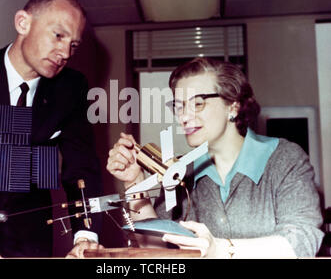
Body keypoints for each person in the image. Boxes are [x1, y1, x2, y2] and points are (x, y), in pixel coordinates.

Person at [107, 57, 324, 258]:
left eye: (198, 103)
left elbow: (302, 240)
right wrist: (135, 183)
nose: (183, 116)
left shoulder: (284, 159)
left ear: (233, 105)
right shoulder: (182, 171)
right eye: (179, 106)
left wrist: (219, 249)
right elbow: (157, 250)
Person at [0, 0, 103, 258]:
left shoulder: (71, 88)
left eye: (74, 45)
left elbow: (81, 166)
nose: (66, 52)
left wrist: (85, 235)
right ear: (23, 23)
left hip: (31, 236)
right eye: (58, 35)